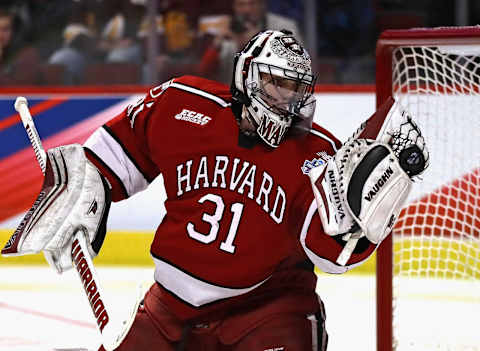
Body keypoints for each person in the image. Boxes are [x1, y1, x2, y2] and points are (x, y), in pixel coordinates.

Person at [2, 29, 429, 350]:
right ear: (246, 77)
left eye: (297, 90)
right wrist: (80, 188)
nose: (289, 101)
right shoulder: (180, 104)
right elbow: (109, 159)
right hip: (168, 309)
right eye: (278, 85)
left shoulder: (318, 154)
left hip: (266, 314)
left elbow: (330, 253)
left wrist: (359, 226)